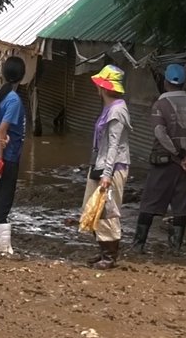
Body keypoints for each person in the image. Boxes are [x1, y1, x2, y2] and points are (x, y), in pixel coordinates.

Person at [132, 64, 186, 256]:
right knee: (181, 205)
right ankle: (176, 247)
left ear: (165, 82)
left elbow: (160, 133)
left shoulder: (160, 105)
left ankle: (138, 245)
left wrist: (179, 154)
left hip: (165, 161)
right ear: (184, 83)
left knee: (150, 202)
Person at [82, 65, 132, 270]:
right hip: (101, 164)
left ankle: (110, 256)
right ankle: (103, 251)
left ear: (103, 87)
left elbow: (114, 145)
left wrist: (107, 174)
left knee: (107, 211)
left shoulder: (117, 111)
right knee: (92, 208)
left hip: (111, 166)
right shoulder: (109, 108)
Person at [0, 56, 27, 254]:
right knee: (4, 199)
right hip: (6, 157)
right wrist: (1, 160)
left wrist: (0, 138)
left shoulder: (1, 95)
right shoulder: (14, 100)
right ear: (22, 76)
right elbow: (1, 130)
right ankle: (1, 248)